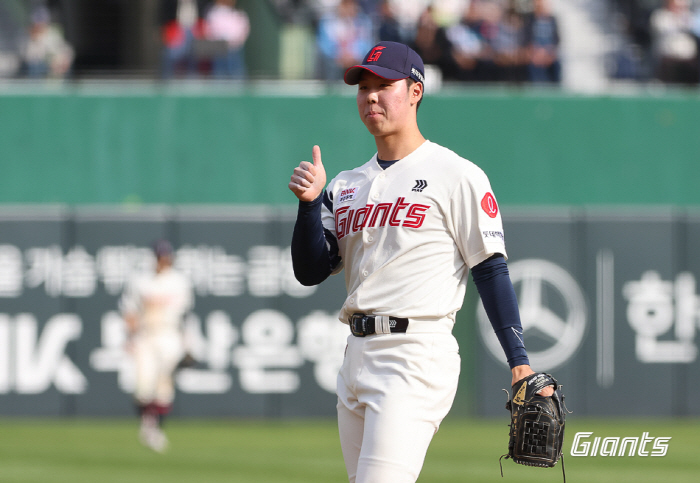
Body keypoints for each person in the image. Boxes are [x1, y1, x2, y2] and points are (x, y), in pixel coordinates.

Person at [288, 40, 553, 483]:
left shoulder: (456, 174)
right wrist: (309, 205)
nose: (371, 96)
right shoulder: (346, 184)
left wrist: (519, 360)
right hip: (355, 354)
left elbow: (490, 268)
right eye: (363, 86)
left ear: (415, 91)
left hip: (414, 353)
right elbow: (309, 270)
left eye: (384, 84)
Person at [119, 239, 194, 453]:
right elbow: (130, 312)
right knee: (143, 386)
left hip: (169, 334)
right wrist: (130, 338)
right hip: (146, 334)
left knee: (163, 385)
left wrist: (188, 343)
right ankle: (147, 423)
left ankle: (155, 429)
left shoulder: (179, 281)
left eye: (166, 257)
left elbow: (185, 316)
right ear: (154, 258)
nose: (163, 260)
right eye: (160, 257)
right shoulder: (141, 281)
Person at [204, 0, 250, 79]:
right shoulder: (214, 12)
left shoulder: (238, 13)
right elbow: (210, 29)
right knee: (219, 71)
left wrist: (236, 41)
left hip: (235, 47)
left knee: (236, 70)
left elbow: (244, 29)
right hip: (219, 47)